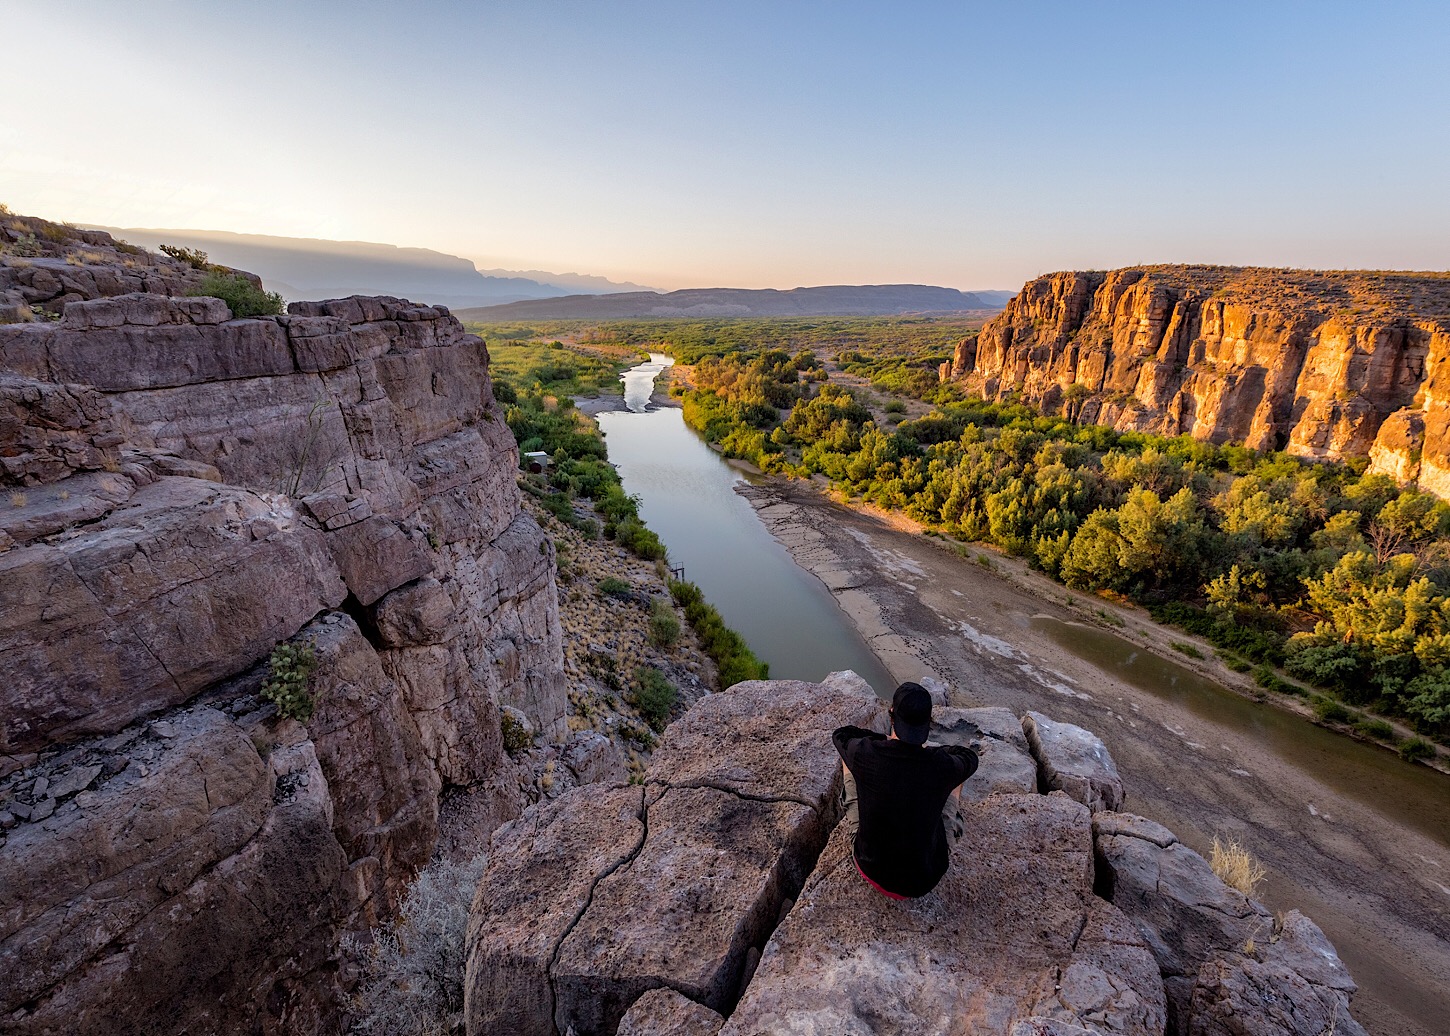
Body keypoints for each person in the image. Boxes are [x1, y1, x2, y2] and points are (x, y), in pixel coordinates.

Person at [832, 682, 979, 900]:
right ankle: (952, 821)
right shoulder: (941, 764)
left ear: (892, 714)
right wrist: (935, 752)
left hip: (870, 868)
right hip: (924, 880)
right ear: (928, 723)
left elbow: (841, 734)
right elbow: (969, 758)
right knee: (957, 778)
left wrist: (883, 739)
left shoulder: (867, 752)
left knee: (848, 761)